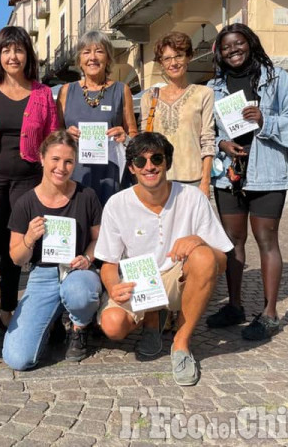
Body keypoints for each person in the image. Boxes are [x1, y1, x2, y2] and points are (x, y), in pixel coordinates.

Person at [95, 132, 233, 386]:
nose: (149, 166)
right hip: (138, 284)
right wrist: (114, 286)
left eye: (156, 159)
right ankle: (154, 316)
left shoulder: (193, 198)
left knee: (203, 256)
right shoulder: (116, 204)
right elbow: (109, 264)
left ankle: (181, 343)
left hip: (175, 278)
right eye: (141, 161)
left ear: (167, 163)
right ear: (132, 168)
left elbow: (221, 261)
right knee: (113, 326)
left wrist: (199, 242)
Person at [205, 23, 288, 340]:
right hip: (230, 174)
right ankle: (235, 306)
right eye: (225, 47)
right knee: (232, 242)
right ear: (219, 53)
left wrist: (266, 121)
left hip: (267, 172)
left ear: (250, 44)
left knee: (266, 240)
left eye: (238, 43)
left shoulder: (279, 81)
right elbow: (204, 132)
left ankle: (269, 314)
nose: (232, 50)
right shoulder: (213, 88)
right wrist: (220, 144)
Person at [0, 26, 58, 329]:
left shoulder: (43, 94)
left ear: (27, 54)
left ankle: (7, 309)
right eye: (6, 50)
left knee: (17, 247)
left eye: (18, 49)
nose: (12, 56)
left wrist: (50, 184)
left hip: (28, 181)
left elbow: (51, 140)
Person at [3, 131, 102, 369]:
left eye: (68, 161)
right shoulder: (25, 202)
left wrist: (87, 258)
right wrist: (29, 238)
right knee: (18, 359)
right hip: (42, 276)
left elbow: (99, 240)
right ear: (42, 158)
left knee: (80, 291)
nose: (61, 167)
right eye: (55, 159)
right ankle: (52, 321)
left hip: (77, 272)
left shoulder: (86, 195)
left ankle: (79, 327)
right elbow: (16, 258)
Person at [57, 30, 137, 205]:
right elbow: (55, 134)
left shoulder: (121, 90)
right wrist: (65, 135)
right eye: (86, 52)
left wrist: (125, 137)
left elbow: (133, 134)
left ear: (108, 58)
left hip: (111, 175)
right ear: (79, 60)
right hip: (74, 174)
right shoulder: (66, 91)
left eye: (99, 51)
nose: (92, 57)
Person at [140, 32, 215, 196]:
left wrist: (205, 182)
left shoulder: (204, 93)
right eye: (167, 58)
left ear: (189, 57)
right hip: (158, 179)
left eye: (179, 56)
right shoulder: (149, 97)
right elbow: (144, 141)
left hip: (193, 180)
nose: (173, 63)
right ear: (161, 63)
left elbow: (208, 140)